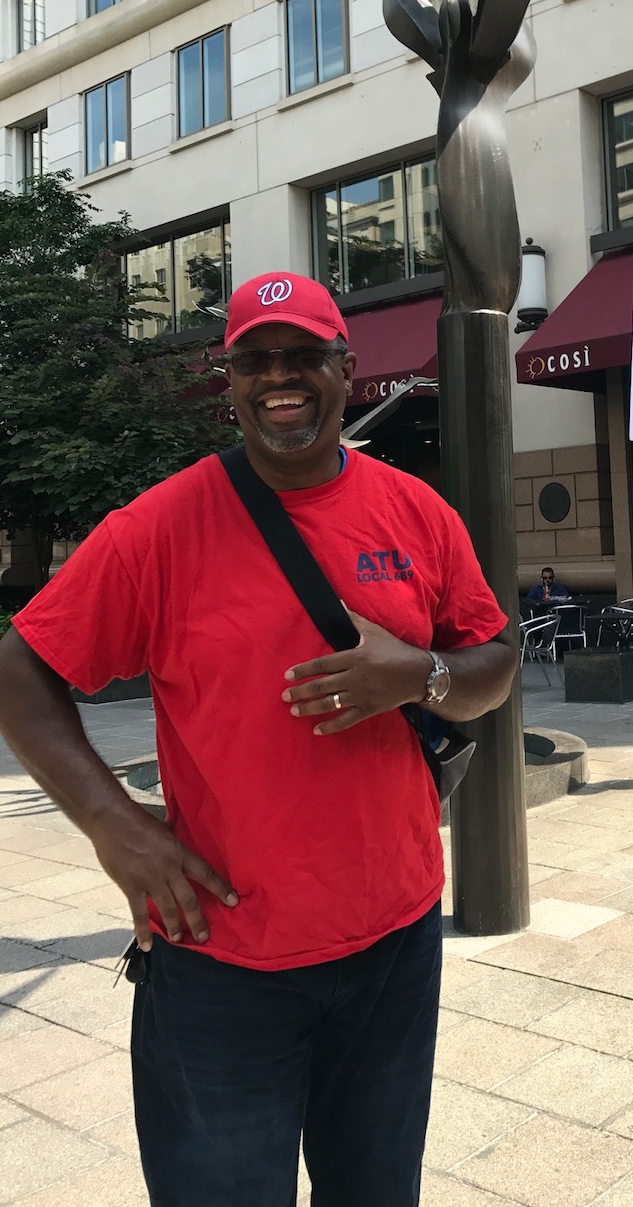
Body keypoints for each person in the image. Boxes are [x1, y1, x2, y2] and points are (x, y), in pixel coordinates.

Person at [0, 271, 516, 1207]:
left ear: (346, 369)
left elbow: (493, 660)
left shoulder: (415, 511)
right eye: (255, 360)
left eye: (304, 356)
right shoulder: (158, 529)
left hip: (394, 940)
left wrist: (421, 676)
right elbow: (19, 667)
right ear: (229, 380)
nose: (281, 377)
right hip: (221, 957)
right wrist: (116, 828)